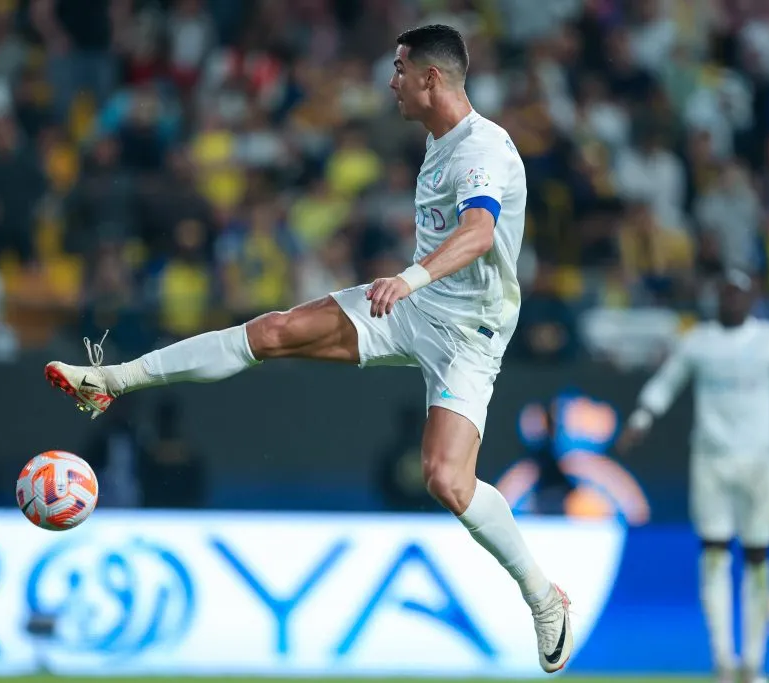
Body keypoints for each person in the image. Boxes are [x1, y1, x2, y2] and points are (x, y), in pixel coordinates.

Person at [45, 24, 572, 673]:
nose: (392, 81)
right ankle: (112, 379)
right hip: (412, 309)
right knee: (272, 331)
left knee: (446, 480)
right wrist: (411, 288)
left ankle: (544, 596)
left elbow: (479, 230)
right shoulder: (437, 140)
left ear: (432, 78)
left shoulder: (482, 148)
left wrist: (408, 276)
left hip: (469, 333)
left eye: (401, 69)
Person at [616, 270, 769, 683]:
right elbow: (666, 383)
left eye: (738, 293)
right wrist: (641, 418)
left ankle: (753, 661)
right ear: (716, 297)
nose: (731, 300)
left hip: (759, 462)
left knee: (757, 555)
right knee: (713, 552)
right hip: (711, 459)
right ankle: (722, 661)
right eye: (725, 292)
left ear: (752, 298)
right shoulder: (699, 341)